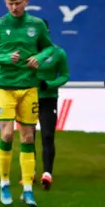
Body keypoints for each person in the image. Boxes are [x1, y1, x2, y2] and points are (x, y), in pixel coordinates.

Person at [0, 0, 54, 207]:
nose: (14, 8)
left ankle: (27, 188)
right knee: (6, 135)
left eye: (17, 3)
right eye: (10, 3)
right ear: (5, 3)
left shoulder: (36, 25)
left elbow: (49, 48)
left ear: (26, 1)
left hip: (29, 87)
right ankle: (4, 183)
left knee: (28, 137)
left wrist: (40, 57)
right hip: (5, 86)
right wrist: (4, 58)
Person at [34, 19, 69, 190]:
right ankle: (29, 172)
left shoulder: (58, 53)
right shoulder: (27, 52)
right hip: (28, 98)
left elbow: (64, 75)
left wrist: (49, 84)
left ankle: (47, 173)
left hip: (48, 98)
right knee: (28, 136)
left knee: (47, 135)